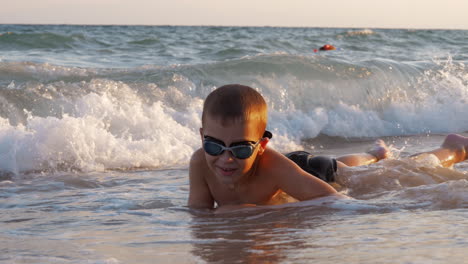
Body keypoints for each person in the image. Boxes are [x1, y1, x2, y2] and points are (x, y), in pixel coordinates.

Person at [188, 84, 467, 211]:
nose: (225, 158)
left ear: (261, 146)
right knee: (346, 164)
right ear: (202, 137)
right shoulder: (200, 163)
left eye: (239, 149)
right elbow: (200, 213)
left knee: (397, 171)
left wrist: (254, 210)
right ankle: (375, 153)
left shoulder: (272, 166)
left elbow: (331, 198)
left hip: (312, 171)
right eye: (214, 145)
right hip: (303, 172)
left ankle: (454, 148)